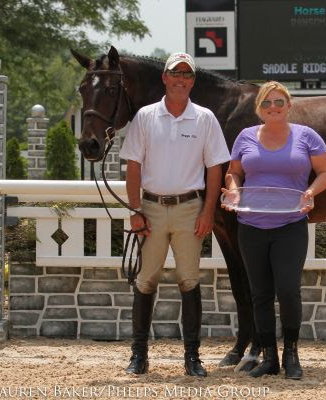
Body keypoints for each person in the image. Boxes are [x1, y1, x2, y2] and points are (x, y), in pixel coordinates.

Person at [119, 52, 230, 376]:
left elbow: (215, 168)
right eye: (175, 73)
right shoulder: (145, 117)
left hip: (189, 209)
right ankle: (139, 356)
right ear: (164, 78)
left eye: (187, 74)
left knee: (189, 280)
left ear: (192, 81)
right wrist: (135, 210)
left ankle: (192, 358)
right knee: (145, 280)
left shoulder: (205, 118)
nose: (181, 79)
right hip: (151, 209)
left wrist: (208, 211)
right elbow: (134, 167)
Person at [223, 81, 326, 379]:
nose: (273, 107)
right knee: (260, 294)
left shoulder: (306, 136)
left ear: (289, 105)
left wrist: (310, 192)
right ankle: (269, 357)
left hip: (290, 225)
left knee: (287, 291)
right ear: (258, 108)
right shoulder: (245, 136)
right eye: (266, 103)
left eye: (279, 102)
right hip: (250, 226)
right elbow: (233, 173)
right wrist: (233, 192)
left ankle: (292, 355)